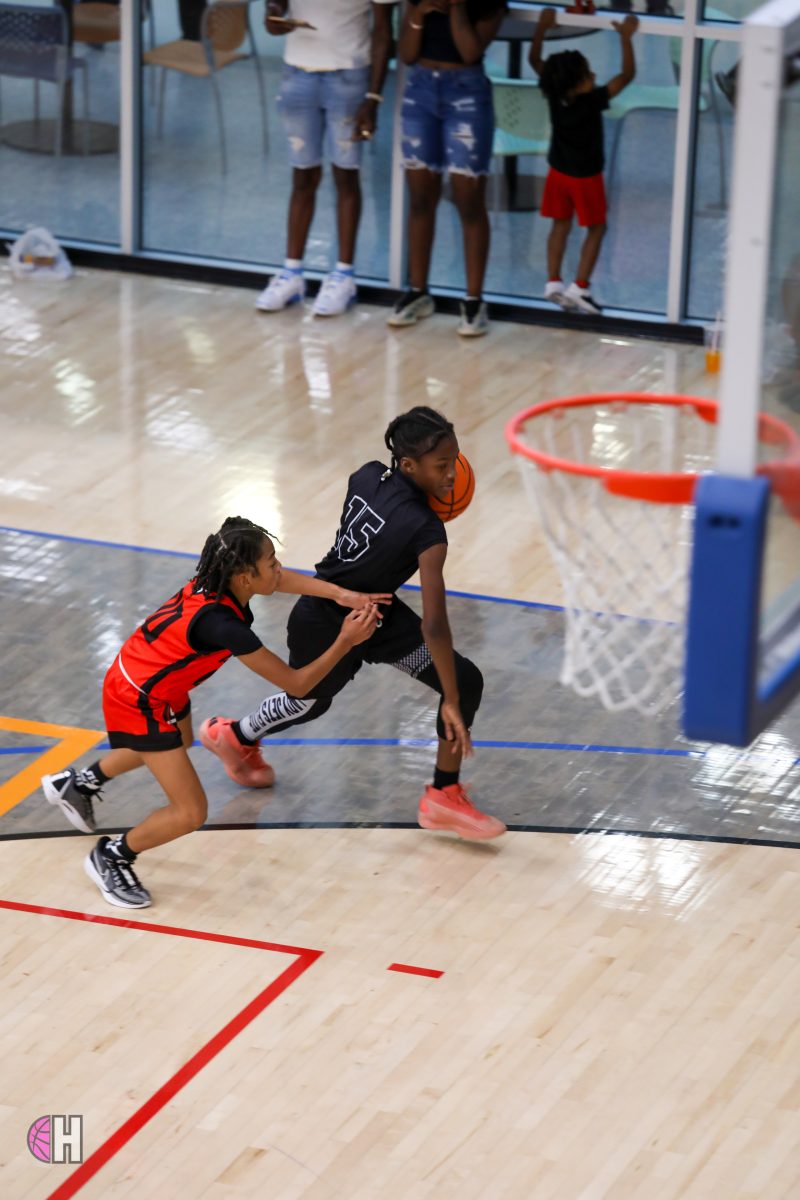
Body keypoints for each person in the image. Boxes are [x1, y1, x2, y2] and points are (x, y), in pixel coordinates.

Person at [41, 519, 384, 908]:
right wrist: (345, 640)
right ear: (245, 577)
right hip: (139, 697)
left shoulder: (220, 580)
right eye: (271, 562)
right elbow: (298, 684)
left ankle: (79, 784)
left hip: (152, 675)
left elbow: (279, 580)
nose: (279, 568)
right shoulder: (224, 626)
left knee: (180, 742)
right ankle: (111, 856)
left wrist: (341, 594)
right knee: (191, 812)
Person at [200, 408, 506, 840]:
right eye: (441, 467)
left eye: (454, 462)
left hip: (376, 612)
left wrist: (453, 689)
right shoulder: (426, 529)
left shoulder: (366, 475)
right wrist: (450, 700)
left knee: (466, 678)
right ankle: (235, 734)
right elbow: (435, 625)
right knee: (310, 700)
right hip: (326, 622)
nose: (452, 476)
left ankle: (443, 795)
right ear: (408, 465)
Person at [255, 0, 397, 318]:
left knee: (345, 175)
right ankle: (292, 273)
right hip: (297, 72)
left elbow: (383, 31)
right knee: (302, 175)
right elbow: (277, 4)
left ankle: (344, 275)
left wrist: (373, 97)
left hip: (348, 75)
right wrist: (273, 14)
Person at [386, 0, 509, 338]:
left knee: (467, 198)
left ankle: (473, 300)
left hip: (466, 93)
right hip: (420, 90)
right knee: (420, 198)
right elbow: (407, 54)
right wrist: (418, 13)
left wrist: (456, 7)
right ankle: (418, 291)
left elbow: (469, 52)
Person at [530, 9, 638, 316]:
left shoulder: (555, 94)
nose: (594, 76)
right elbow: (626, 76)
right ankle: (580, 287)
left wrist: (541, 28)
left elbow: (535, 61)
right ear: (577, 85)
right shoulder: (593, 100)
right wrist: (626, 38)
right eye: (588, 74)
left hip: (557, 173)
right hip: (586, 177)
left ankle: (553, 281)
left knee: (560, 225)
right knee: (597, 228)